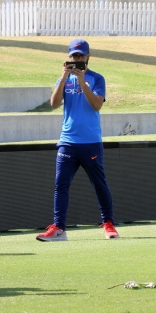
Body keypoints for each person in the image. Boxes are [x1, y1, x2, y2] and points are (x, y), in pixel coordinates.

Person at [36, 39, 119, 241]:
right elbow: (54, 103)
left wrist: (82, 82)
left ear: (88, 56)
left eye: (81, 56)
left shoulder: (97, 78)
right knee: (61, 185)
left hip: (90, 141)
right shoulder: (63, 79)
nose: (77, 59)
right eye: (74, 56)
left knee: (99, 184)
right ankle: (59, 228)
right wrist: (64, 78)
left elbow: (97, 105)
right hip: (68, 141)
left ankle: (108, 224)